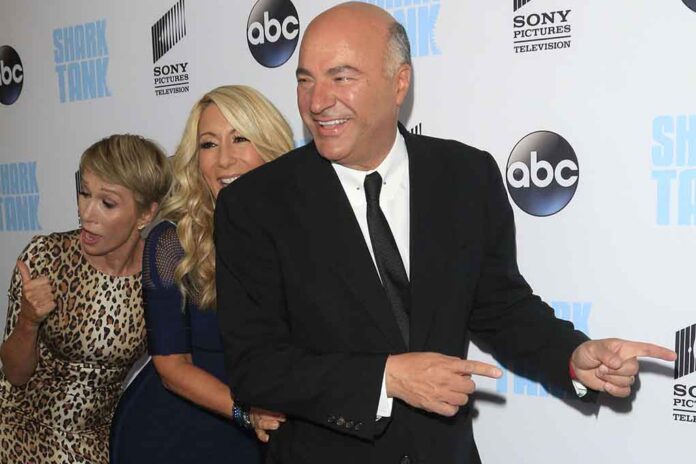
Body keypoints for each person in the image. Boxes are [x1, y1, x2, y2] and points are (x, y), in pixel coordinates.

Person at [215, 3, 676, 463]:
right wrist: (386, 378)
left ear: (399, 82)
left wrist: (572, 356)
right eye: (305, 80)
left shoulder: (465, 175)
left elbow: (500, 306)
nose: (317, 102)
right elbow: (255, 367)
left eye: (342, 77)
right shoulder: (255, 204)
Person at [110, 85, 293, 464]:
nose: (224, 160)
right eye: (209, 145)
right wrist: (247, 413)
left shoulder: (305, 233)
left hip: (270, 431)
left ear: (270, 145)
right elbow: (171, 366)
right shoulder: (173, 240)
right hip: (176, 433)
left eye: (240, 138)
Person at [0, 134, 171, 464]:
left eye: (107, 203)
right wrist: (28, 321)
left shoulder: (159, 276)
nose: (86, 213)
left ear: (146, 214)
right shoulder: (45, 257)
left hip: (96, 446)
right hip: (17, 434)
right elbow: (15, 374)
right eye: (84, 193)